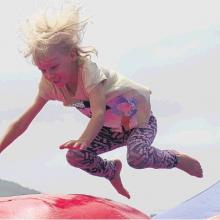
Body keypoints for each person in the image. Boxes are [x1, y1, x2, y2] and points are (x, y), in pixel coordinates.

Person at [0, 4, 203, 199]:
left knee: (137, 157)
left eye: (53, 67)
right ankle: (111, 171)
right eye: (42, 70)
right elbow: (22, 122)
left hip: (140, 122)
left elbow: (98, 112)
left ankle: (175, 159)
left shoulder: (87, 70)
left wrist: (85, 139)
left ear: (72, 56)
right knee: (74, 156)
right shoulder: (49, 85)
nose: (49, 75)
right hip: (111, 130)